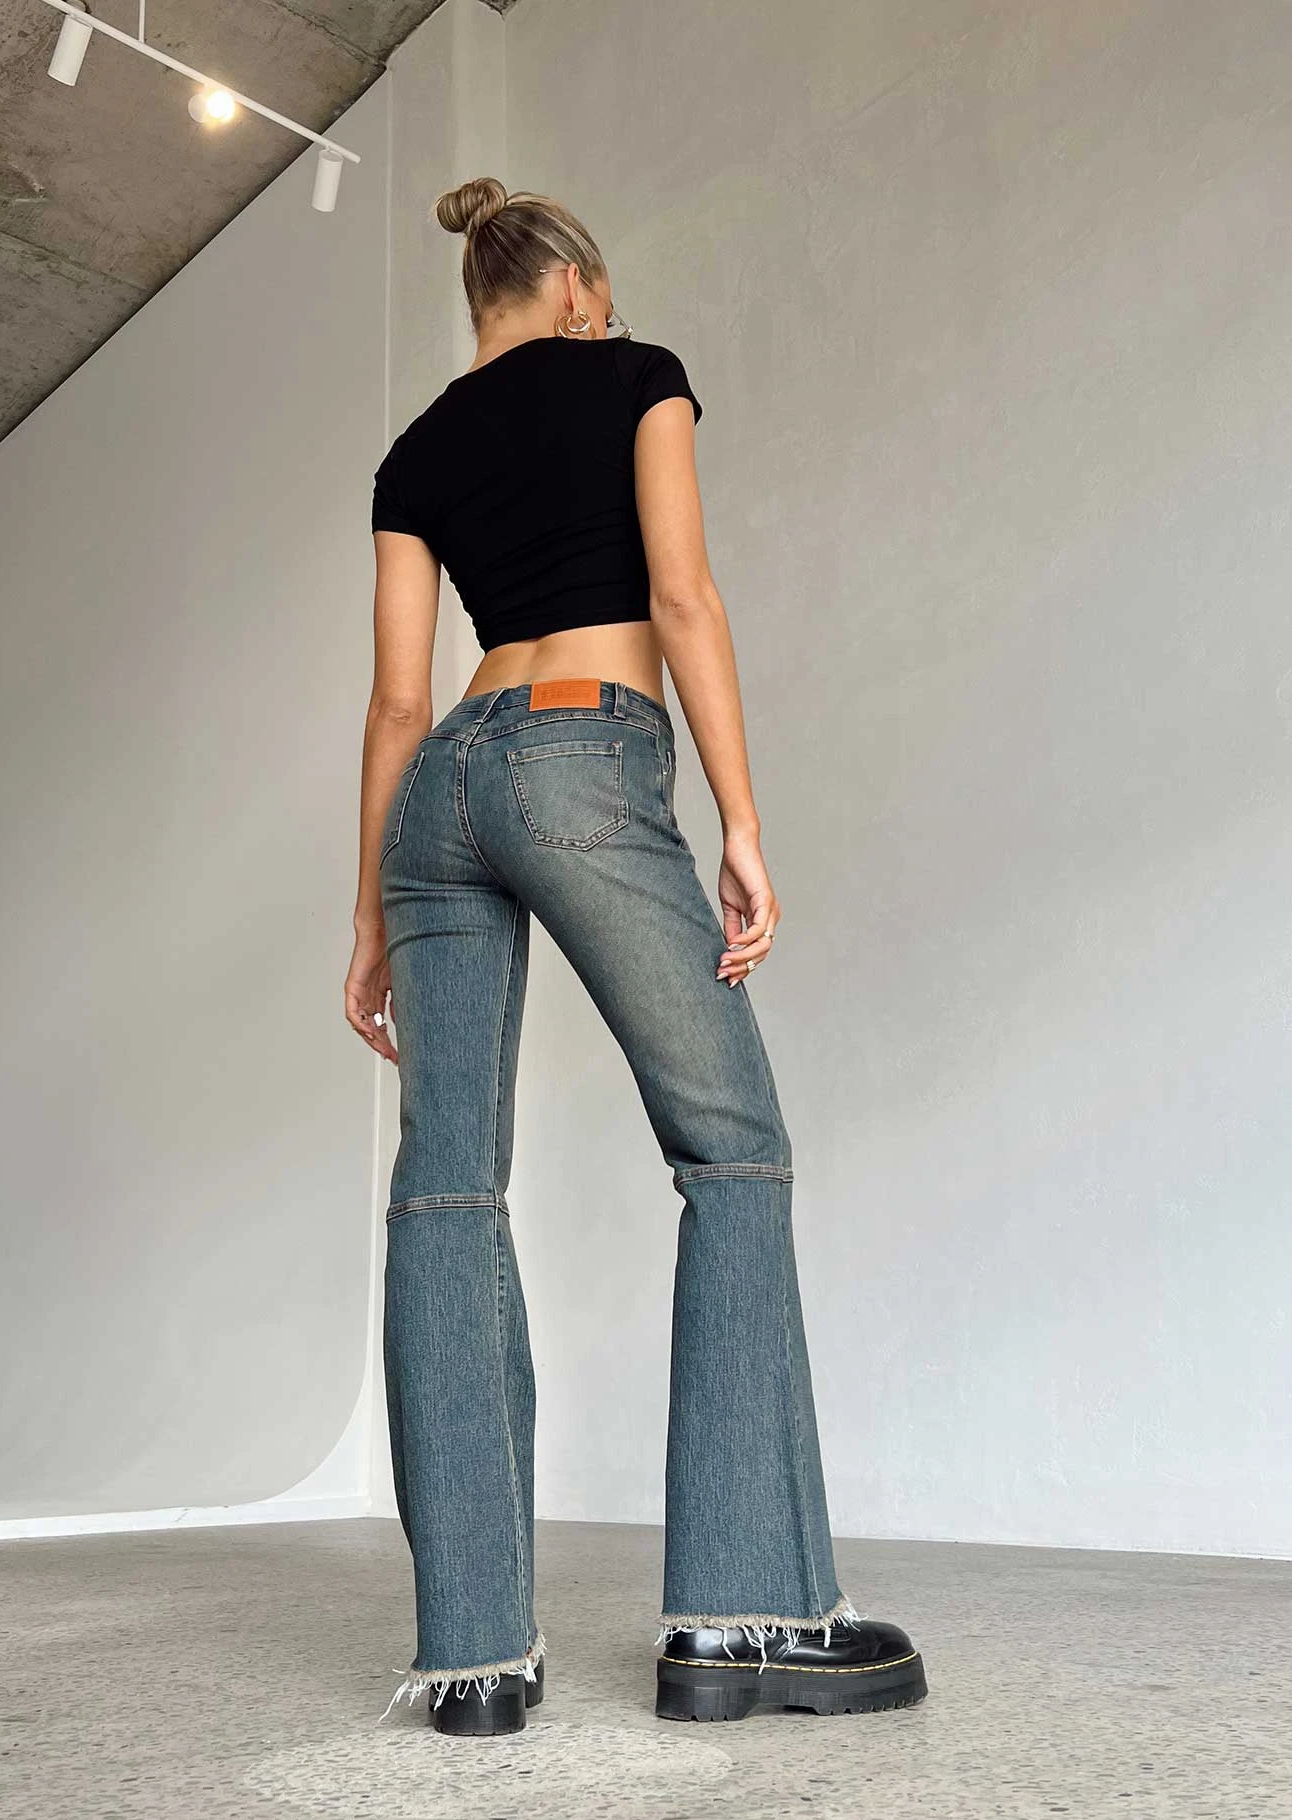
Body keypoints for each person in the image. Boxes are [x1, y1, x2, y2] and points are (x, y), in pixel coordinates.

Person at [345, 177, 927, 1738]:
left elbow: (397, 703)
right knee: (733, 1150)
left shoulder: (415, 453)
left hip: (442, 790)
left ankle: (474, 1660)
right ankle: (747, 1617)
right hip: (583, 757)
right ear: (577, 287)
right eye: (602, 298)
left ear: (481, 299)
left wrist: (369, 916)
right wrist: (742, 818)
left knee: (444, 1188)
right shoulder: (635, 375)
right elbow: (681, 595)